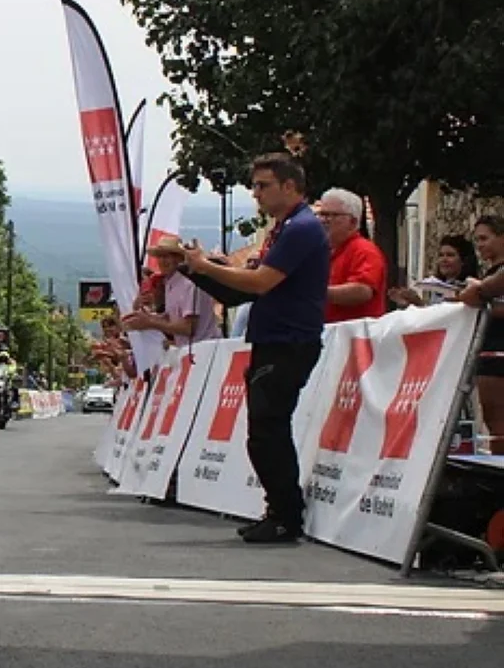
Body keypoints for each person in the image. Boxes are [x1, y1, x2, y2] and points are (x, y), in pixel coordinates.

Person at [183, 153, 329, 544]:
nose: (256, 194)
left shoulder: (301, 227)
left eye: (264, 186)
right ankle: (278, 510)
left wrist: (207, 266)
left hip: (289, 340)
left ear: (289, 186)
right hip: (273, 338)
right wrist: (196, 267)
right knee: (264, 430)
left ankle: (285, 515)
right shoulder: (283, 229)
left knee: (268, 430)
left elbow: (261, 282)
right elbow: (239, 289)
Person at [124, 235, 222, 347]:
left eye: (166, 256)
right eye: (159, 257)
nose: (162, 261)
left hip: (204, 350)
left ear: (179, 259)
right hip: (191, 351)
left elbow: (188, 328)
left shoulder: (189, 283)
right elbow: (171, 317)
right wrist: (145, 317)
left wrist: (151, 322)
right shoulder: (171, 282)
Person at [458, 216, 504, 451]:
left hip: (497, 352)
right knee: (493, 420)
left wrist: (481, 299)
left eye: (485, 238)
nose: (481, 245)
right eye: (477, 241)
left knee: (497, 424)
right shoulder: (492, 272)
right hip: (489, 350)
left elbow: (479, 297)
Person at [317, 188, 387, 324]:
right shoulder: (324, 250)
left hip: (355, 338)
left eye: (332, 215)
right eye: (322, 215)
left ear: (353, 222)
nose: (324, 221)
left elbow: (362, 291)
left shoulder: (364, 250)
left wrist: (313, 292)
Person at [390, 234, 478, 309]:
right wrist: (412, 303)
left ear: (463, 261)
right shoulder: (436, 286)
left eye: (450, 255)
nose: (444, 259)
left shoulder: (467, 289)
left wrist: (419, 303)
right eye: (441, 255)